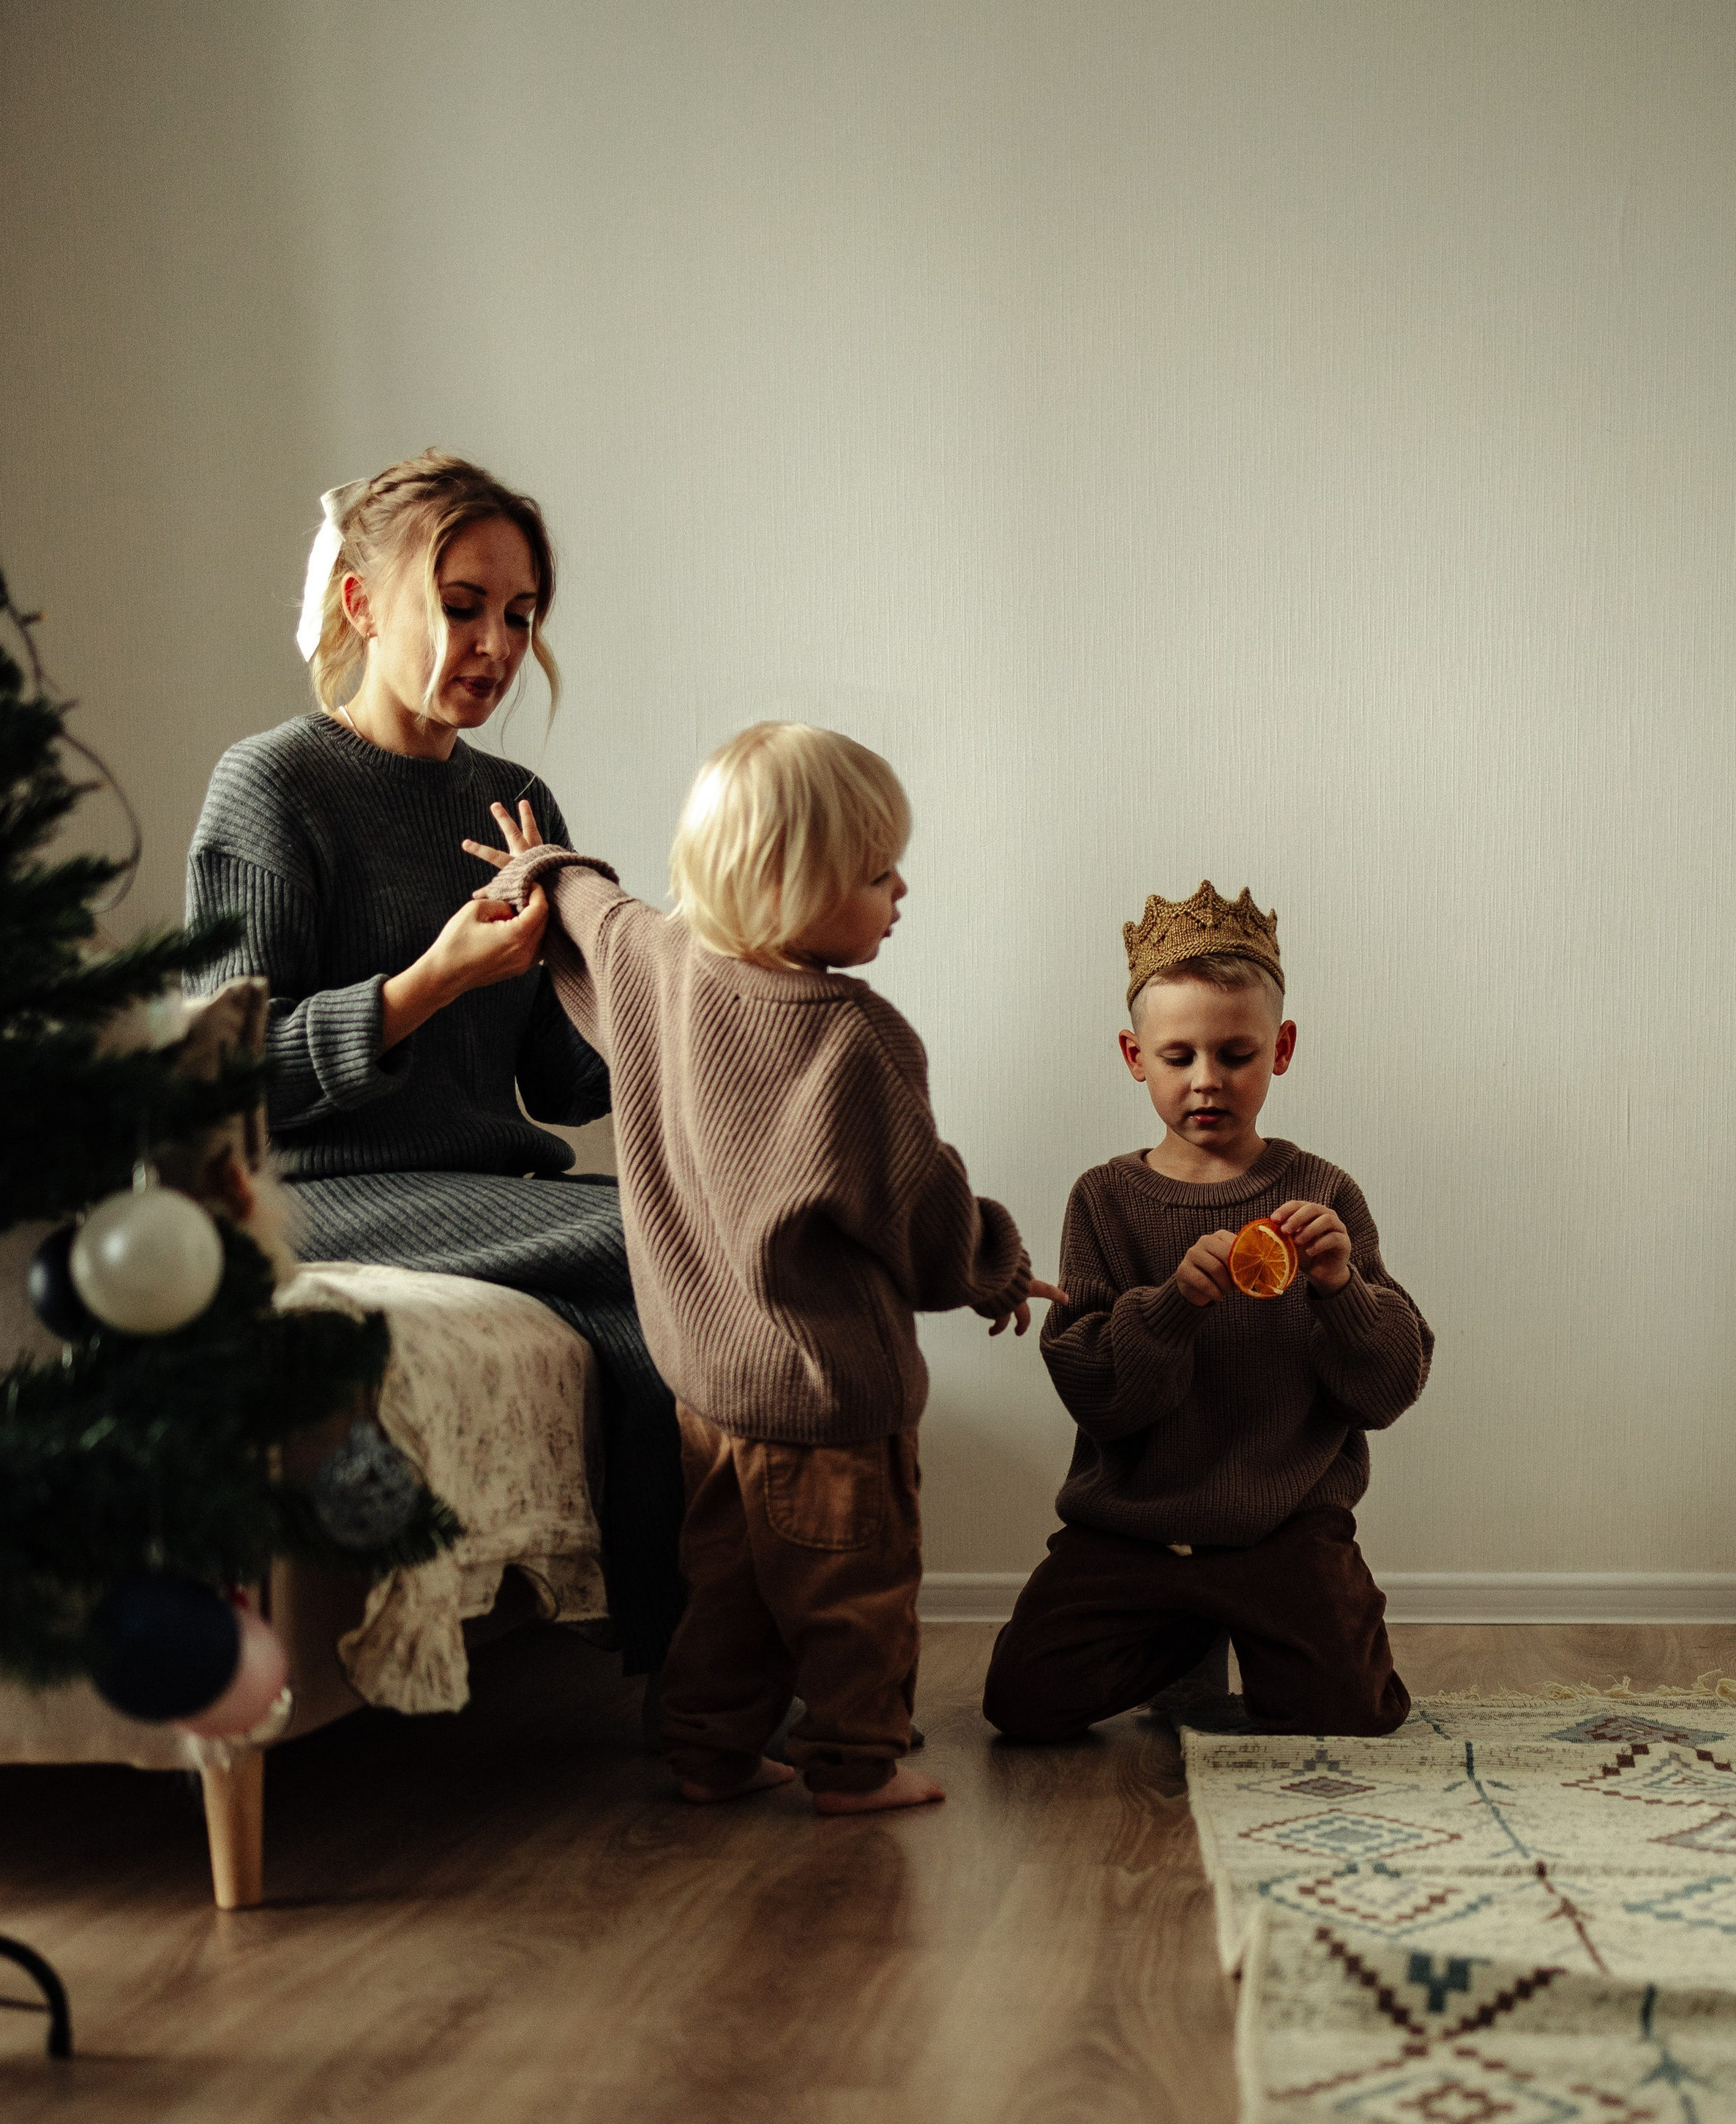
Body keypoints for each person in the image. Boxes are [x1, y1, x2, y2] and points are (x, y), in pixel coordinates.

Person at [474, 725, 1058, 1813]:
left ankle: (710, 1752)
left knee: (726, 1594)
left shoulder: (665, 971)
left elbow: (592, 917)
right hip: (831, 1400)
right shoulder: (859, 1040)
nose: (902, 890)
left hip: (707, 1393)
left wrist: (536, 866)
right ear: (798, 887)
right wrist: (995, 1264)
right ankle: (854, 1764)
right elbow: (921, 1213)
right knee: (854, 1598)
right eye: (879, 872)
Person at [184, 451, 684, 1671]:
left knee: (662, 1290)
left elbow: (568, 1093)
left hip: (474, 1200)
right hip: (305, 1196)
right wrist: (432, 982)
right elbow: (221, 1080)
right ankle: (710, 1678)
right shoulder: (275, 785)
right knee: (663, 1236)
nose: (498, 644)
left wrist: (643, 965)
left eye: (521, 615)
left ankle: (691, 1675)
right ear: (363, 601)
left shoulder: (520, 798)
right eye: (463, 605)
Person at [983, 880, 1432, 1740]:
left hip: (1283, 1527)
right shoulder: (1105, 1201)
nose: (1206, 1082)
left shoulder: (1321, 1194)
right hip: (1135, 1532)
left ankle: (1249, 1619)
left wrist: (1342, 1290)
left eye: (1235, 1054)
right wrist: (1172, 1307)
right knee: (1023, 1705)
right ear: (1134, 1056)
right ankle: (1188, 1626)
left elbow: (1386, 1390)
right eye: (1178, 1056)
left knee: (1355, 1713)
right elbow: (1098, 1396)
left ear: (1281, 1048)